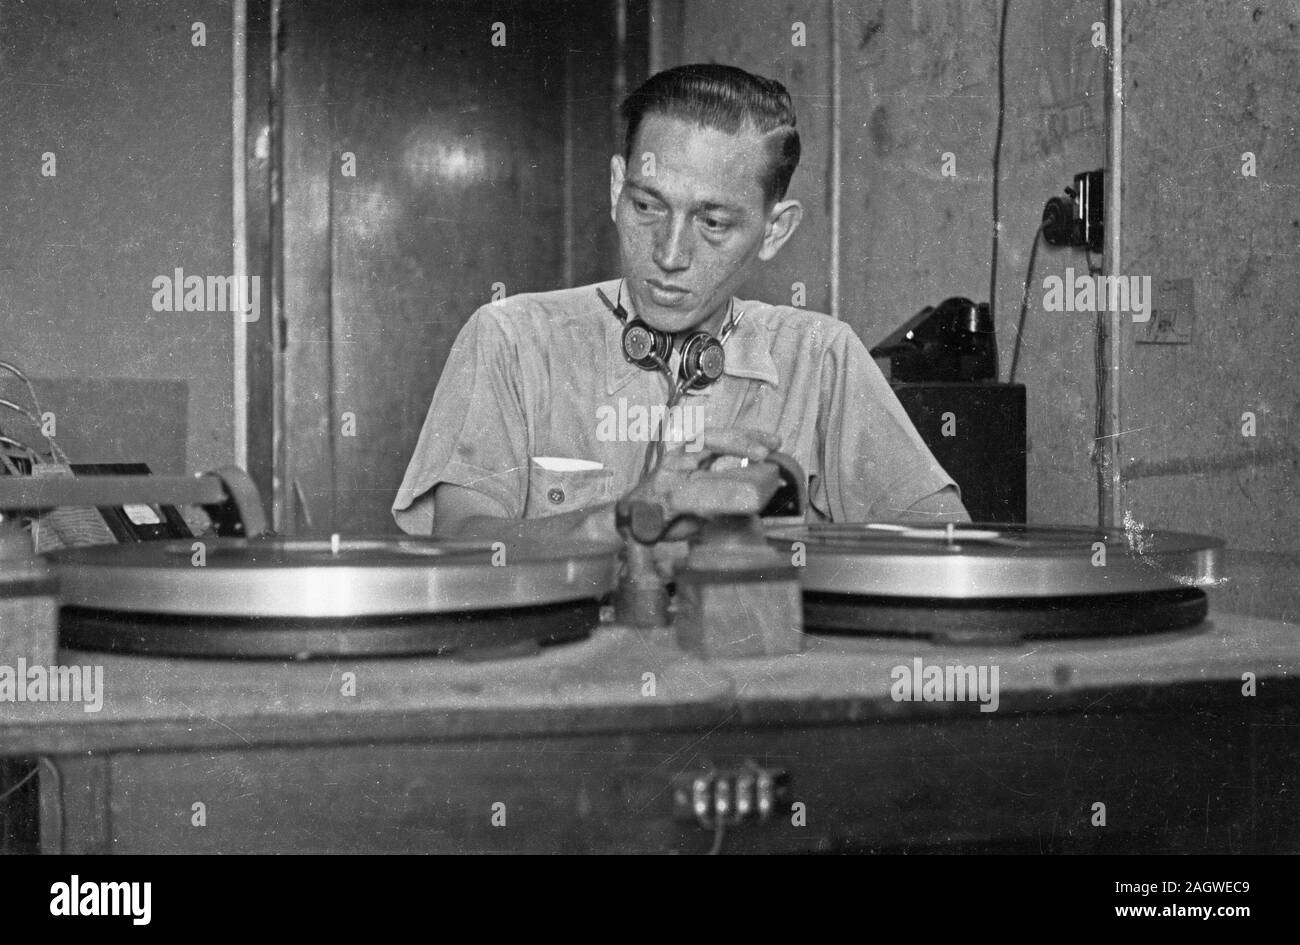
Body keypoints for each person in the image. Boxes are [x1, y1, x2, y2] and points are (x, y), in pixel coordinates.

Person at [393, 64, 967, 542]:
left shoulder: (822, 358)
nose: (669, 255)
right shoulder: (511, 340)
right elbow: (461, 544)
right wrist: (623, 522)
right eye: (647, 207)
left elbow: (942, 545)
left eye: (713, 223)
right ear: (617, 189)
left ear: (774, 231)